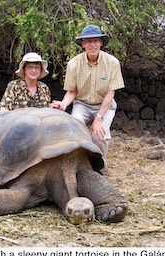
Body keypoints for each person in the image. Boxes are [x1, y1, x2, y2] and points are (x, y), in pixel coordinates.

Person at [50, 24, 125, 175]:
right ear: (83, 44)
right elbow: (73, 90)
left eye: (96, 41)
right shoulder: (73, 64)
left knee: (100, 134)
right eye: (89, 41)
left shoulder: (112, 63)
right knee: (74, 130)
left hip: (105, 104)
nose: (92, 45)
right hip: (82, 104)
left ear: (101, 43)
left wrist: (98, 118)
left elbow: (110, 94)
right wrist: (64, 104)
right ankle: (77, 162)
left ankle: (99, 163)